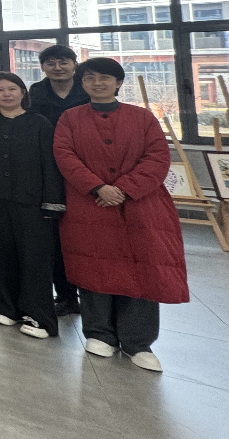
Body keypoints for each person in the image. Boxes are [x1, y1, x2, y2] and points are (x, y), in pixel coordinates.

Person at [53, 57, 188, 372]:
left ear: (118, 82)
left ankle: (137, 341)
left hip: (140, 205)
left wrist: (124, 189)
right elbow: (64, 155)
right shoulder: (70, 118)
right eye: (90, 78)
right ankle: (99, 332)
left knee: (143, 268)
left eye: (104, 77)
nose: (97, 83)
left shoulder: (142, 117)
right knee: (93, 265)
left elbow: (157, 157)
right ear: (82, 83)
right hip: (90, 204)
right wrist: (98, 187)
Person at [0, 72, 62, 338]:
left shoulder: (39, 122)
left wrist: (52, 203)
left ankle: (40, 316)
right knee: (0, 255)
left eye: (12, 89)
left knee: (35, 260)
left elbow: (50, 164)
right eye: (0, 90)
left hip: (32, 202)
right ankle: (6, 307)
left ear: (23, 92)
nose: (6, 94)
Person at [29, 44, 90, 317]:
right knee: (54, 238)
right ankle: (65, 295)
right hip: (48, 170)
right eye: (51, 63)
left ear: (74, 64)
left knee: (85, 238)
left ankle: (94, 297)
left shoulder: (87, 91)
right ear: (43, 67)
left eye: (63, 62)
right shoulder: (35, 94)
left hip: (87, 169)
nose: (58, 68)